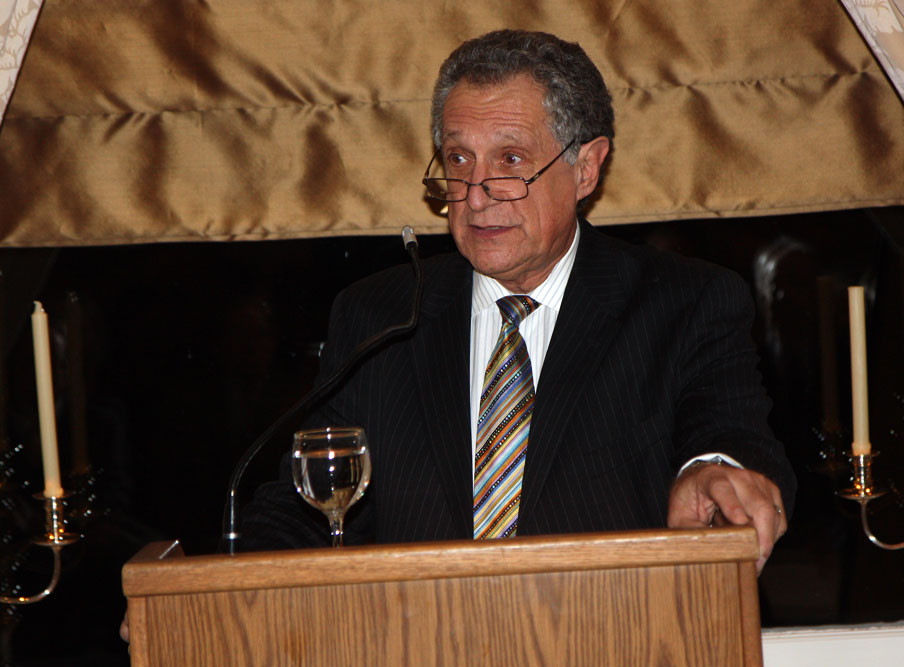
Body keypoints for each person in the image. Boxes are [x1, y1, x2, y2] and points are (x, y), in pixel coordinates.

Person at [241, 29, 795, 573]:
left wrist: (712, 470)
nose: (477, 194)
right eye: (459, 160)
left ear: (585, 168)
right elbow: (307, 506)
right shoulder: (378, 315)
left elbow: (733, 435)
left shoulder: (684, 303)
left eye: (510, 159)